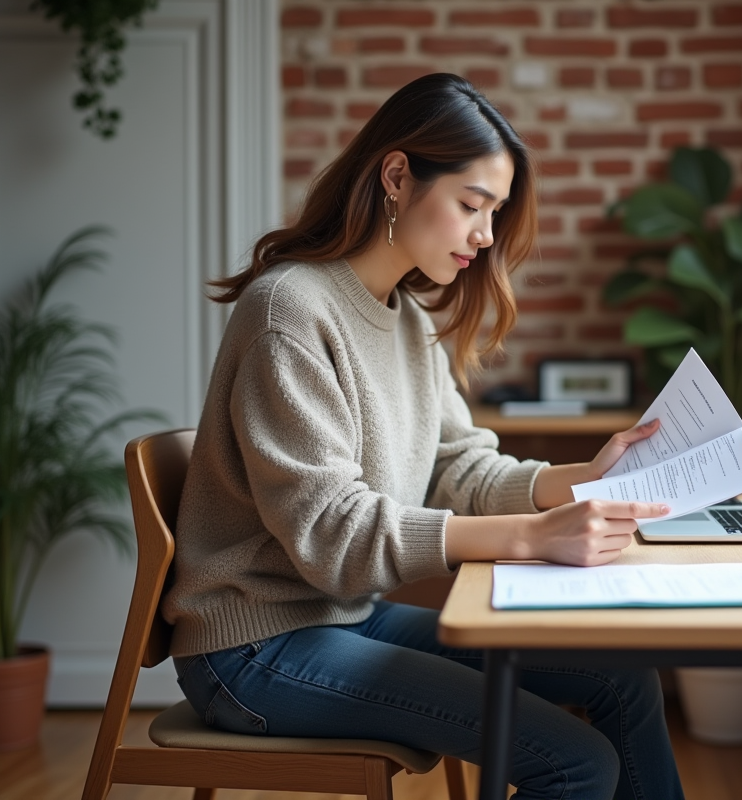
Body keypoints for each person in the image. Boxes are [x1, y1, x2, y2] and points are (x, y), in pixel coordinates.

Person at [162, 73, 686, 800]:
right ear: (399, 177)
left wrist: (584, 477)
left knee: (621, 677)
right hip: (254, 648)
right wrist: (530, 538)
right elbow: (334, 538)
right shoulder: (289, 312)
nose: (485, 235)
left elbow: (457, 466)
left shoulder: (405, 319)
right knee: (575, 763)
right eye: (473, 205)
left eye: (495, 212)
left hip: (345, 619)